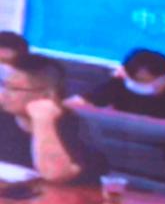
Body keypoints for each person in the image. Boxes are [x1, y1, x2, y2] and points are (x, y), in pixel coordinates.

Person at [0, 53, 105, 184]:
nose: (4, 94)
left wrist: (43, 121)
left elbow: (54, 175)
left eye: (14, 89)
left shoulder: (75, 127)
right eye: (4, 86)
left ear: (48, 95)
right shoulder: (4, 116)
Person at [82, 48, 165, 121]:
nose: (141, 85)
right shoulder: (116, 85)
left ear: (163, 77)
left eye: (147, 81)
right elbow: (78, 103)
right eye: (136, 80)